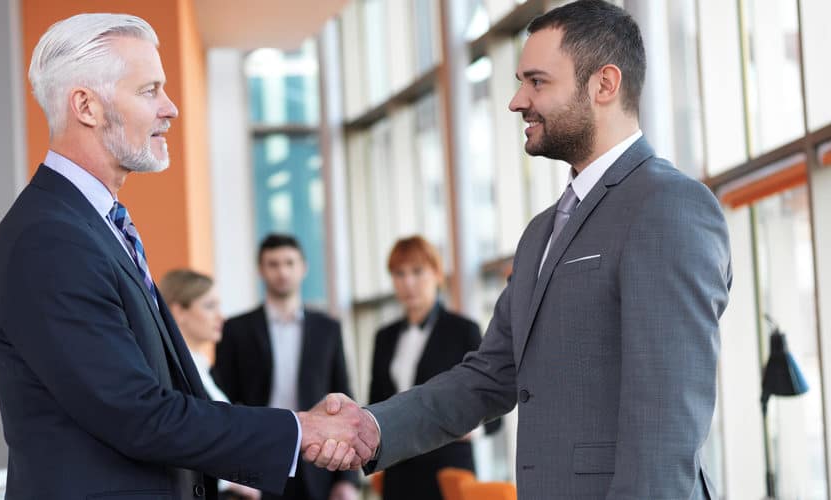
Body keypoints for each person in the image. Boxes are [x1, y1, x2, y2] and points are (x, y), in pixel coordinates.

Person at [303, 1, 733, 499]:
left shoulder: (669, 206)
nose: (515, 101)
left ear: (604, 84)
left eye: (537, 81)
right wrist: (370, 427)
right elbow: (490, 374)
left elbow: (667, 420)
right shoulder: (540, 232)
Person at [0, 13, 370, 499]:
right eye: (149, 90)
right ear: (86, 106)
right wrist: (300, 431)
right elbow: (137, 414)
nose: (171, 108)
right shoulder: (49, 241)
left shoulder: (89, 226)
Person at [213, 234, 359, 500]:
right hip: (257, 460)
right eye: (273, 264)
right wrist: (231, 472)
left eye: (289, 263)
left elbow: (343, 396)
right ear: (261, 270)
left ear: (303, 268)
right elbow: (224, 404)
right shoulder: (236, 329)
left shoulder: (328, 329)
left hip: (319, 461)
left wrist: (348, 479)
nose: (282, 272)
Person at [368, 236, 483, 500]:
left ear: (437, 274)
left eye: (417, 272)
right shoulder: (383, 338)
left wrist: (469, 428)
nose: (408, 283)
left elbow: (492, 409)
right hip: (398, 472)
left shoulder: (463, 330)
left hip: (449, 472)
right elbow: (375, 403)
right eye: (399, 274)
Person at [160, 269, 261, 500]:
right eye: (209, 306)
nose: (221, 317)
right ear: (178, 311)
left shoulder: (208, 371)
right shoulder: (171, 374)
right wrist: (231, 485)